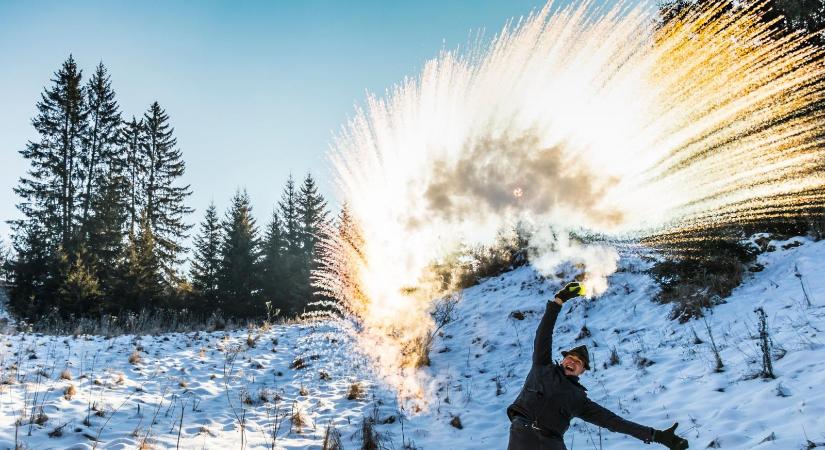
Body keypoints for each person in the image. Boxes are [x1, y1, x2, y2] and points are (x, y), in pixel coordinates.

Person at [506, 282, 689, 450]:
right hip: (524, 433)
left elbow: (614, 422)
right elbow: (544, 333)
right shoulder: (542, 366)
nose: (572, 362)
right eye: (570, 358)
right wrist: (558, 301)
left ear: (582, 371)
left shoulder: (579, 399)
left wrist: (656, 435)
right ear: (562, 360)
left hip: (553, 444)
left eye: (578, 362)